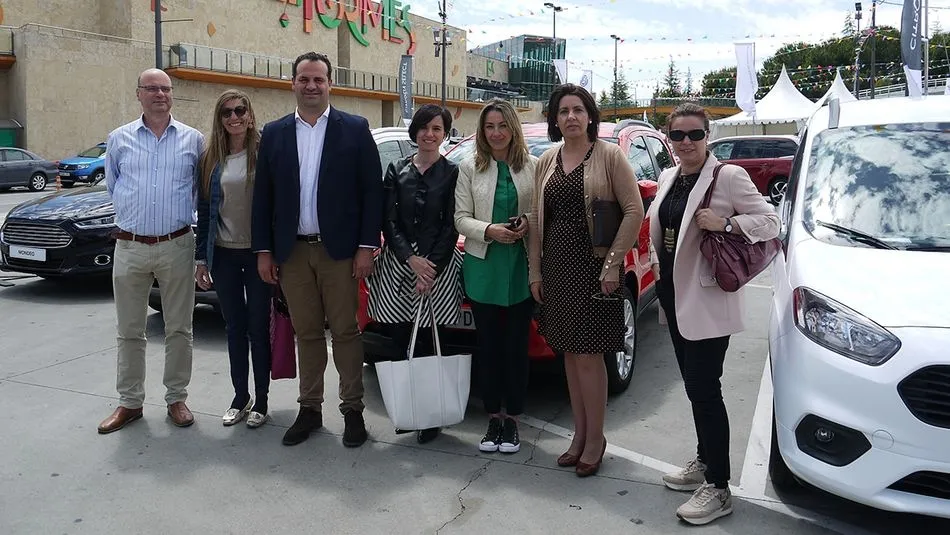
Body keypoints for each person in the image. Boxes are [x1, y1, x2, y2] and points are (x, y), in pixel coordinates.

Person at [648, 103, 779, 525]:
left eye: (695, 135)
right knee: (693, 387)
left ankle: (719, 488)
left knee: (705, 389)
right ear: (670, 138)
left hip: (706, 300)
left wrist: (725, 224)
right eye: (679, 135)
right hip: (672, 295)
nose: (686, 142)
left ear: (708, 137)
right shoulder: (670, 176)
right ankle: (705, 462)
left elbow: (771, 222)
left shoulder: (728, 176)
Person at [251, 52, 383, 448]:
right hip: (292, 253)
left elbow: (371, 192)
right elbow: (264, 198)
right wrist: (264, 251)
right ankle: (309, 408)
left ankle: (353, 411)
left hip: (340, 253)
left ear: (330, 84)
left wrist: (366, 247)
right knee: (306, 333)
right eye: (304, 79)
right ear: (292, 83)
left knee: (345, 331)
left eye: (319, 80)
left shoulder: (355, 129)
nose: (311, 86)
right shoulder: (274, 134)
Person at [527, 84, 644, 476]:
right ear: (555, 119)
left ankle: (597, 439)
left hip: (593, 269)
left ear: (590, 115)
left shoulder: (609, 155)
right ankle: (579, 435)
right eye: (563, 111)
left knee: (591, 357)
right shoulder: (547, 160)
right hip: (557, 268)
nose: (571, 117)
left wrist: (612, 264)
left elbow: (633, 210)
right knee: (570, 356)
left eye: (578, 110)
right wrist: (535, 271)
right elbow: (537, 223)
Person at [97, 68, 204, 434]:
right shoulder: (118, 139)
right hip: (129, 246)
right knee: (129, 330)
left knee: (180, 328)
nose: (160, 94)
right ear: (138, 93)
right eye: (152, 88)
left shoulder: (194, 140)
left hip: (177, 244)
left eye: (166, 88)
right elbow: (114, 187)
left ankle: (176, 398)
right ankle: (130, 402)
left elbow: (198, 192)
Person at [368, 104, 461, 445]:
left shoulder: (453, 172)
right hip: (400, 266)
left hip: (437, 268)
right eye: (424, 127)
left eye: (437, 128)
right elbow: (388, 220)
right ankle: (407, 408)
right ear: (415, 132)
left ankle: (431, 415)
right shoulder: (396, 169)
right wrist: (410, 259)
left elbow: (452, 223)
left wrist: (430, 266)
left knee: (430, 340)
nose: (429, 134)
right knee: (398, 339)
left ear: (444, 133)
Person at [454, 98, 537, 454]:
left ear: (513, 128)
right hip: (484, 265)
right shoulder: (469, 167)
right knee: (488, 348)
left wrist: (526, 222)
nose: (497, 132)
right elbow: (460, 217)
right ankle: (492, 418)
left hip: (521, 265)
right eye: (489, 126)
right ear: (482, 131)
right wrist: (489, 230)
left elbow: (540, 211)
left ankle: (513, 420)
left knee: (517, 348)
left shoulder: (533, 165)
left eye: (502, 125)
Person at [195, 89, 271, 428]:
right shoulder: (211, 158)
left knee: (258, 328)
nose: (234, 117)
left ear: (250, 114)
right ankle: (240, 397)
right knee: (234, 328)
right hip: (223, 254)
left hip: (258, 255)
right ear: (220, 118)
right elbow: (206, 210)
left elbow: (277, 206)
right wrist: (201, 260)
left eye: (240, 110)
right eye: (227, 112)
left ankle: (262, 400)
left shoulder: (265, 152)